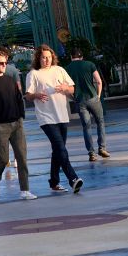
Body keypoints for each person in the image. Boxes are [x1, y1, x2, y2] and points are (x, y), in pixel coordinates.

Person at [25, 44, 84, 194]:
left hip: (62, 115)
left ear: (53, 58)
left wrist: (65, 89)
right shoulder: (34, 74)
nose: (46, 60)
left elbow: (72, 88)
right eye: (43, 57)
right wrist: (36, 95)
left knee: (58, 150)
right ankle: (73, 179)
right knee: (60, 147)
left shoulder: (60, 70)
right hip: (46, 117)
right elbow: (28, 95)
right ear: (38, 58)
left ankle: (54, 182)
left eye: (49, 57)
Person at [0, 50, 36, 200]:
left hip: (16, 123)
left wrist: (21, 116)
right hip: (0, 126)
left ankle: (25, 190)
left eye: (6, 62)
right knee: (3, 158)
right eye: (1, 63)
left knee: (22, 157)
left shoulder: (10, 80)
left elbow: (18, 98)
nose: (4, 65)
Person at [67, 48, 110, 161]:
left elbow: (66, 89)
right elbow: (99, 81)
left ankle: (91, 153)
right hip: (93, 97)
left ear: (71, 57)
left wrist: (73, 98)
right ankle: (102, 148)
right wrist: (99, 95)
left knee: (86, 127)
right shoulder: (90, 64)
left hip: (79, 101)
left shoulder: (68, 68)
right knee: (100, 122)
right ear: (82, 57)